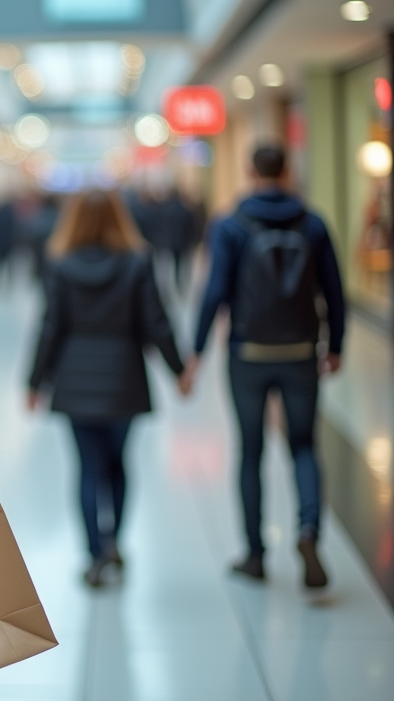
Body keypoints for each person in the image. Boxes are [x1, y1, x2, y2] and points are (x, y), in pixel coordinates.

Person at [182, 145, 345, 588]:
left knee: (250, 452)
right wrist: (336, 347)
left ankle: (255, 554)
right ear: (288, 170)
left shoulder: (231, 225)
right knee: (304, 446)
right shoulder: (312, 223)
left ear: (248, 171)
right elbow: (334, 289)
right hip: (300, 351)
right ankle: (309, 530)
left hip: (247, 353)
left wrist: (194, 353)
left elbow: (214, 291)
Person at [27, 189, 186, 587]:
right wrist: (178, 368)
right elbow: (156, 321)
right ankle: (115, 541)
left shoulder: (60, 265)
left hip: (76, 378)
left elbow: (51, 327)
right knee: (118, 464)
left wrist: (35, 381)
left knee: (86, 468)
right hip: (124, 377)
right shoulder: (137, 262)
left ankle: (94, 553)